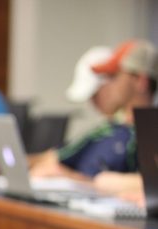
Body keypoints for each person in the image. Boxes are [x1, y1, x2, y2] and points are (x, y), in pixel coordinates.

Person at [31, 39, 157, 181]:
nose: (108, 83)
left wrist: (73, 178)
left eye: (114, 76)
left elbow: (145, 190)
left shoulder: (149, 132)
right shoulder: (109, 128)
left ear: (141, 81)